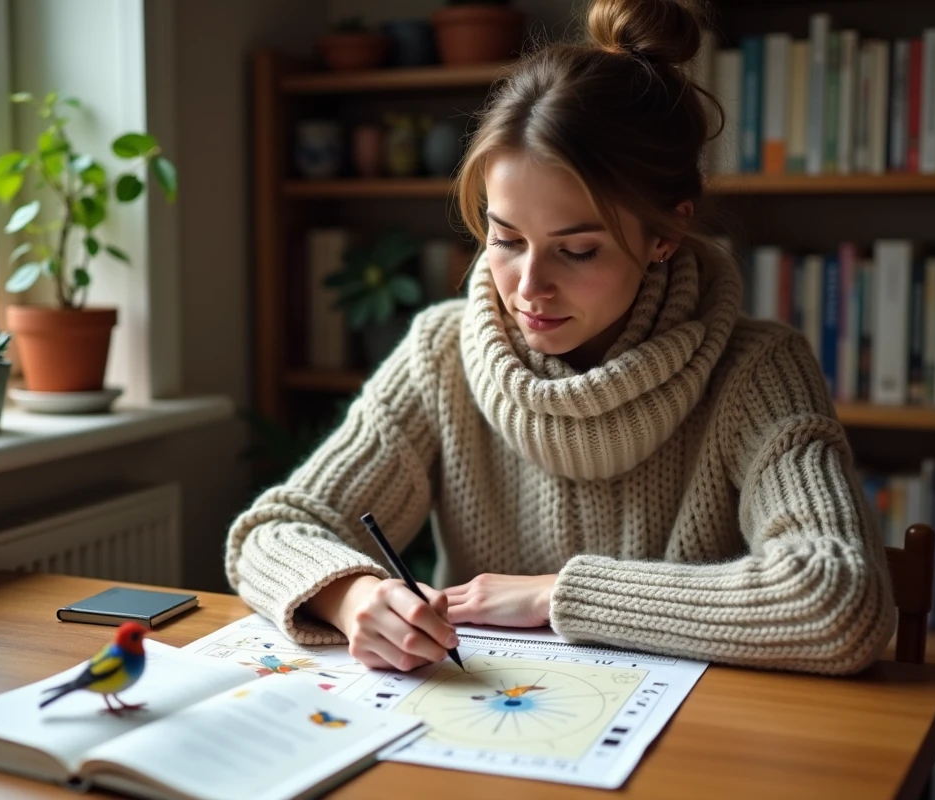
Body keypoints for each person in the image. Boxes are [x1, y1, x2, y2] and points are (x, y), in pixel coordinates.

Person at [225, 0, 895, 676]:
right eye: (506, 239)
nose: (528, 287)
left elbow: (838, 599)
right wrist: (353, 596)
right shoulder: (442, 353)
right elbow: (273, 532)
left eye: (577, 251)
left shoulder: (756, 370)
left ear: (664, 233)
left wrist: (556, 597)